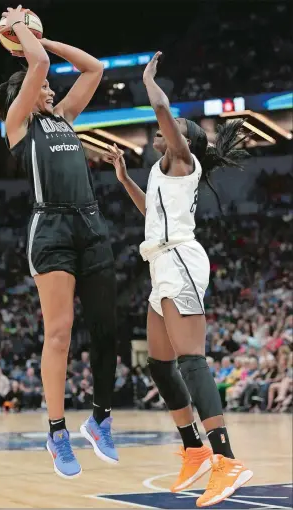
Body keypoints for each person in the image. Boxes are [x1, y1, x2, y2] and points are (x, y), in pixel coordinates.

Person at [104, 51, 252, 507]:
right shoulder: (161, 172)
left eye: (171, 130)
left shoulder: (184, 160)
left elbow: (165, 111)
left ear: (181, 140)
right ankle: (193, 449)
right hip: (162, 262)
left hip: (182, 262)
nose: (161, 131)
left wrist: (149, 80)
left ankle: (227, 460)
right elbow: (152, 215)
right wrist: (126, 179)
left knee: (191, 361)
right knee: (160, 364)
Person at [0, 6, 118, 479]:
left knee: (107, 329)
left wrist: (44, 38)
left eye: (46, 88)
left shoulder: (64, 116)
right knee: (60, 333)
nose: (47, 89)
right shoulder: (18, 125)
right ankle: (57, 432)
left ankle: (100, 419)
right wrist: (22, 31)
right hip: (51, 232)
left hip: (89, 225)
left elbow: (95, 68)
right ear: (18, 99)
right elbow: (38, 66)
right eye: (37, 87)